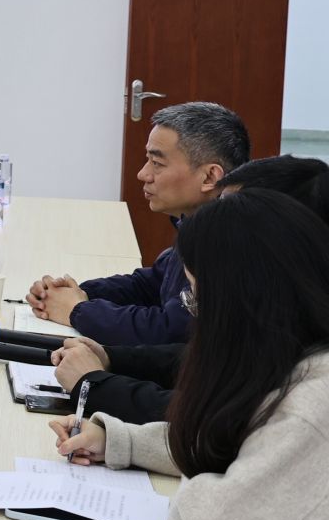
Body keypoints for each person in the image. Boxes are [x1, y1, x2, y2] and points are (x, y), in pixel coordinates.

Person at [51, 189, 329, 520]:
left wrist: (212, 476)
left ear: (244, 301)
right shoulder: (295, 365)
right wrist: (121, 441)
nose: (196, 321)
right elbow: (228, 445)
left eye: (199, 302)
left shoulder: (316, 405)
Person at [52, 155, 329, 424]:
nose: (143, 174)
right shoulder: (277, 306)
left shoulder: (305, 366)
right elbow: (207, 358)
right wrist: (112, 358)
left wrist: (96, 385)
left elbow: (212, 421)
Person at [28, 101, 248, 346]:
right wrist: (78, 293)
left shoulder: (230, 242)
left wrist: (78, 310)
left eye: (157, 163)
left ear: (209, 176)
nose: (143, 174)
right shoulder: (197, 222)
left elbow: (169, 332)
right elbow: (151, 284)